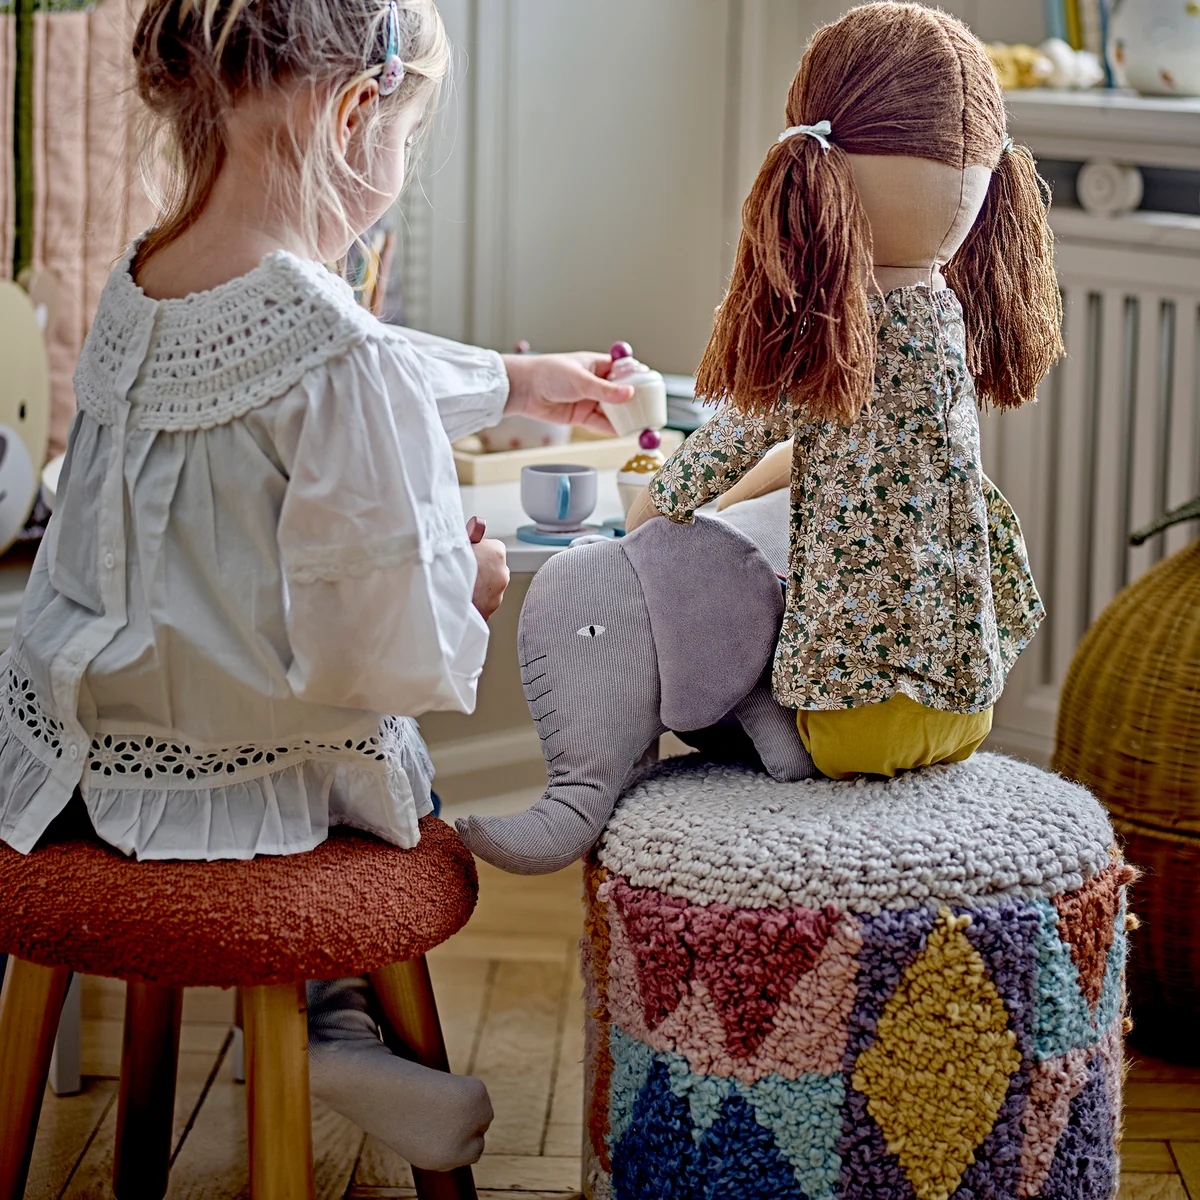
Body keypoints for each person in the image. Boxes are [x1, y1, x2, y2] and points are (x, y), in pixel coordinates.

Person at [0, 0, 632, 1170]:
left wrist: (511, 382)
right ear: (352, 115)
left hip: (77, 765)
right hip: (244, 785)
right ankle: (334, 1026)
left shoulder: (138, 287)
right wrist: (470, 582)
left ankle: (325, 1030)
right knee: (374, 748)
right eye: (408, 136)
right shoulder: (337, 348)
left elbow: (291, 366)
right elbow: (381, 654)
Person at [630, 3, 1057, 781]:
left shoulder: (841, 324)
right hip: (968, 700)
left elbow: (745, 432)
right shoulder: (947, 313)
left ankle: (772, 748)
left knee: (712, 675)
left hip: (852, 712)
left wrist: (663, 498)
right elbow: (864, 446)